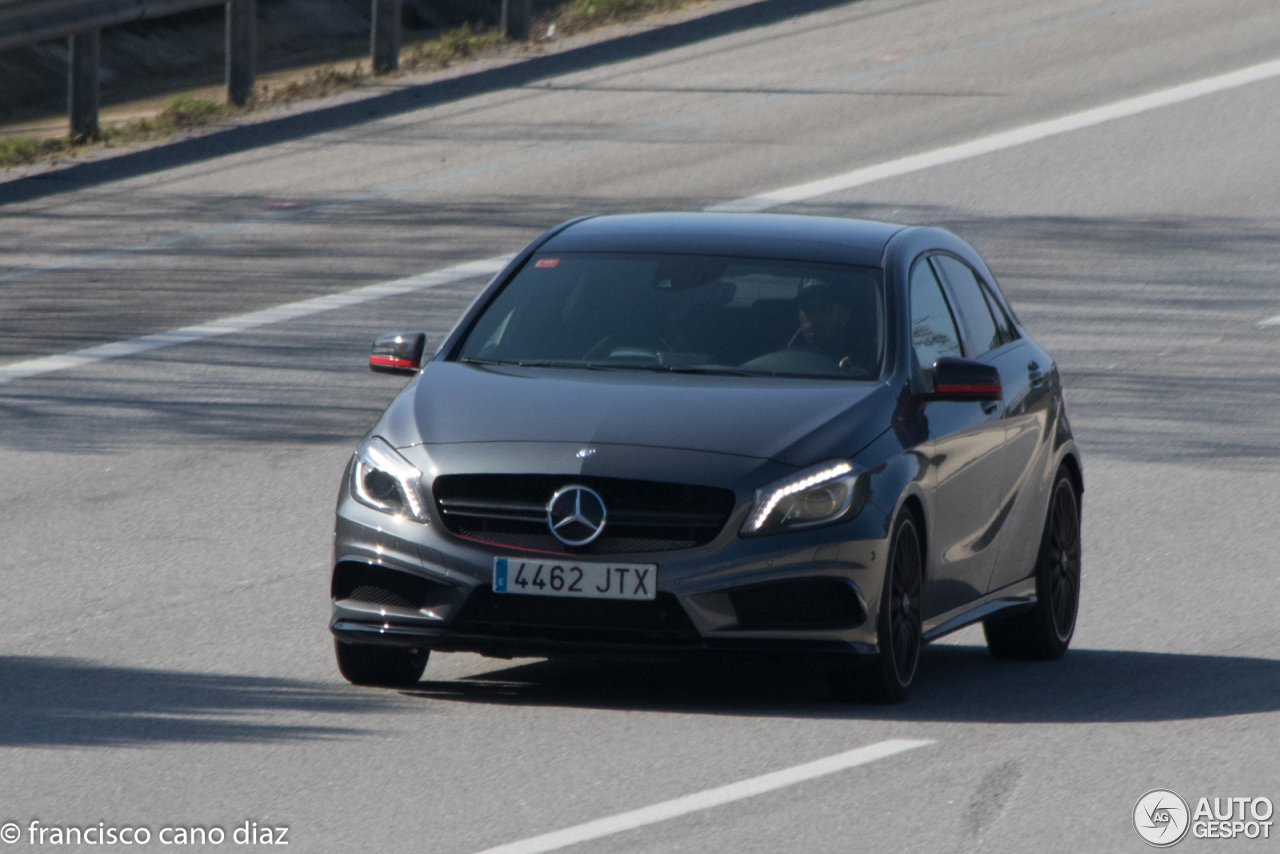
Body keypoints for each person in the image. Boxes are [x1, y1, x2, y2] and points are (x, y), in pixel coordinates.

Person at [794, 281, 858, 372]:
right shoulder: (783, 361)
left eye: (824, 308)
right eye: (807, 308)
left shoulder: (868, 364)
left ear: (845, 315)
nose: (815, 318)